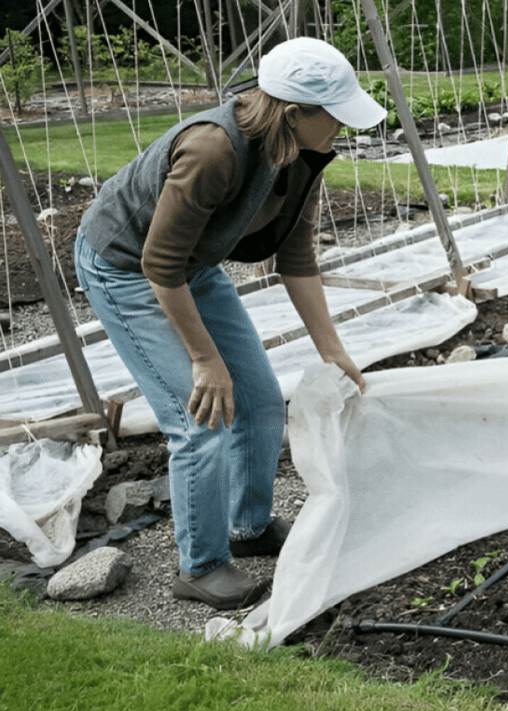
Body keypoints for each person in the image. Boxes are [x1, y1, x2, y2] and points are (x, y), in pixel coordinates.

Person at [74, 37, 386, 610]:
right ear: (296, 113)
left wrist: (331, 348)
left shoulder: (301, 153)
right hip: (127, 266)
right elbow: (158, 264)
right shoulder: (212, 150)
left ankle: (249, 528)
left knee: (263, 400)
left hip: (190, 264)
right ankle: (202, 567)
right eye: (338, 117)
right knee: (201, 418)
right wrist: (204, 358)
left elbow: (296, 255)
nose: (345, 128)